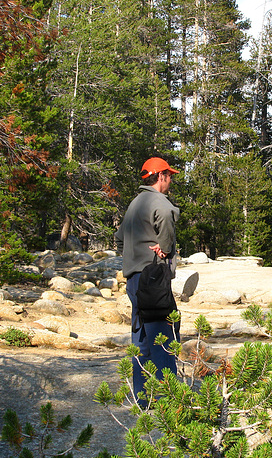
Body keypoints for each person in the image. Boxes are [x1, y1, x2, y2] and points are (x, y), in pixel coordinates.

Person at [114, 157, 181, 405]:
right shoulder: (158, 201)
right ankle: (168, 400)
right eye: (169, 175)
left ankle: (143, 398)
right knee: (163, 335)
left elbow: (119, 238)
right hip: (152, 280)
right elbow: (165, 214)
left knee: (141, 338)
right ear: (160, 176)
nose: (170, 180)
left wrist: (134, 252)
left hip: (134, 280)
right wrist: (163, 247)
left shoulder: (134, 203)